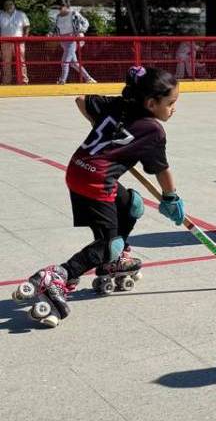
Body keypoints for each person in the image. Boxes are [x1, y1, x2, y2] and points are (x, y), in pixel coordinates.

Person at [10, 67, 184, 327]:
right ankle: (58, 275)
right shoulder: (153, 131)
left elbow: (81, 100)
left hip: (78, 170)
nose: (174, 109)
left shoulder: (119, 105)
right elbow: (162, 169)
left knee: (132, 204)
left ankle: (113, 261)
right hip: (95, 182)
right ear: (151, 103)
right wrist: (171, 198)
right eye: (171, 103)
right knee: (108, 244)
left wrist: (100, 127)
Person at [50, 0, 96, 85]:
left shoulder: (74, 14)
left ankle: (62, 80)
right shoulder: (58, 17)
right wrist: (51, 34)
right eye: (58, 8)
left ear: (66, 6)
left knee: (64, 62)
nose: (59, 10)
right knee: (74, 63)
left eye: (60, 8)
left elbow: (85, 23)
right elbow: (55, 29)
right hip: (63, 41)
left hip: (72, 40)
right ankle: (89, 79)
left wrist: (80, 31)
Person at [0, 0, 30, 84]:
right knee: (6, 62)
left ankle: (23, 81)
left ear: (13, 5)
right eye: (6, 4)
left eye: (10, 4)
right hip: (5, 42)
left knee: (21, 61)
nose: (8, 6)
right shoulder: (1, 15)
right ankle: (6, 81)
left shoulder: (21, 14)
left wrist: (25, 37)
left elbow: (27, 26)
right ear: (4, 6)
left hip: (19, 42)